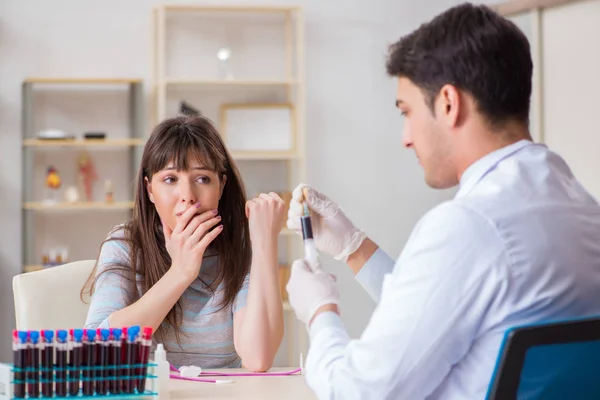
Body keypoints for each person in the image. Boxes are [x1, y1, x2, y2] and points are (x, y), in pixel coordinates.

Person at [285, 3, 600, 399]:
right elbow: (443, 311)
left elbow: (358, 391)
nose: (406, 137)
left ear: (449, 103)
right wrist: (355, 248)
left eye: (407, 112)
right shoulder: (577, 204)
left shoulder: (471, 225)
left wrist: (319, 311)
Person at [83, 115, 286, 372]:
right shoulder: (126, 244)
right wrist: (180, 272)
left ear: (221, 186)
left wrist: (265, 241)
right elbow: (96, 351)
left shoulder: (239, 249)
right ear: (149, 190)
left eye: (202, 179)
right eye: (170, 180)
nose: (188, 197)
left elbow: (258, 358)